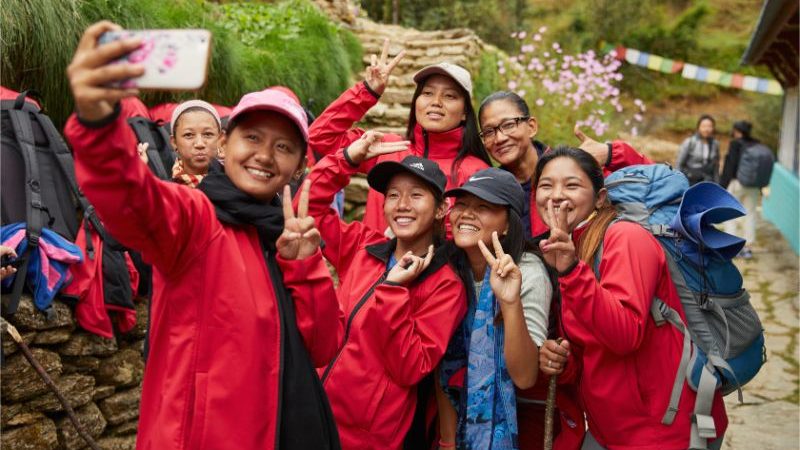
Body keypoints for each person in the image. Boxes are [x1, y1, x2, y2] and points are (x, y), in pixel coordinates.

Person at [64, 21, 341, 450]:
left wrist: (305, 266)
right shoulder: (196, 219)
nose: (265, 155)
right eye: (252, 137)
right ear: (223, 145)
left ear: (299, 166)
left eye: (284, 147)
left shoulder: (288, 237)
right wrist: (98, 123)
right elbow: (131, 198)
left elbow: (323, 348)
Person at [534, 146, 728, 449]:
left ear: (600, 198)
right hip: (612, 429)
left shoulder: (626, 238)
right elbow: (592, 345)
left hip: (664, 429)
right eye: (546, 185)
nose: (556, 195)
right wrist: (563, 360)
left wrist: (571, 271)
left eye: (571, 185)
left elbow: (624, 335)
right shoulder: (575, 248)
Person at [304, 131, 467, 449]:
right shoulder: (363, 246)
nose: (402, 205)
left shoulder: (445, 284)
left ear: (440, 209)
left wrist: (393, 289)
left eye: (416, 195)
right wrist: (346, 159)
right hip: (314, 411)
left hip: (365, 436)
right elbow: (307, 209)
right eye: (393, 195)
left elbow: (411, 367)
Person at [308, 40, 491, 234]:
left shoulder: (477, 172)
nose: (436, 102)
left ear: (465, 113)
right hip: (371, 254)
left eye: (450, 96)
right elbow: (319, 138)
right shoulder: (387, 148)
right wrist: (367, 92)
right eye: (427, 93)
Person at [437, 168, 553, 449]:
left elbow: (525, 376)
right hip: (451, 419)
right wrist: (448, 443)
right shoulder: (448, 268)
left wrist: (510, 302)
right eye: (462, 204)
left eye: (482, 207)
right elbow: (442, 363)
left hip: (517, 422)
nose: (466, 214)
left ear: (508, 225)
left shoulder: (528, 272)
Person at [477, 91, 652, 239]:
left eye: (508, 125)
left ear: (531, 127)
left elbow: (651, 181)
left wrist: (611, 153)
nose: (499, 138)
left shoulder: (573, 169)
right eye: (489, 132)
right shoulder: (491, 190)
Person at [720, 120, 760, 259]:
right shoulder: (756, 144)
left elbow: (730, 166)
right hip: (753, 186)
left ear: (737, 131)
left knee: (730, 214)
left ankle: (732, 247)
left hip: (736, 183)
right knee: (750, 214)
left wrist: (722, 186)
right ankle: (748, 248)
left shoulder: (735, 144)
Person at [676, 114, 720, 185]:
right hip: (691, 181)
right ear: (698, 127)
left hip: (707, 181)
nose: (706, 129)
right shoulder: (690, 142)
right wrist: (678, 183)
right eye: (704, 126)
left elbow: (716, 167)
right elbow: (679, 164)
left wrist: (717, 184)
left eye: (709, 126)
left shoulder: (715, 144)